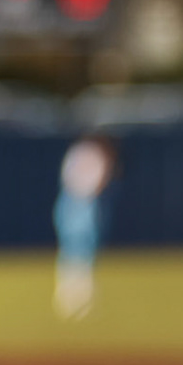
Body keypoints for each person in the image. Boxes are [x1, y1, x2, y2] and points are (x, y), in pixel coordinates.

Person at [53, 134, 117, 320]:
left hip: (79, 202)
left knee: (83, 254)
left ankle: (79, 301)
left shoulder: (81, 153)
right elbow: (93, 179)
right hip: (77, 202)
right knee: (74, 253)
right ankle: (72, 300)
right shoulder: (88, 153)